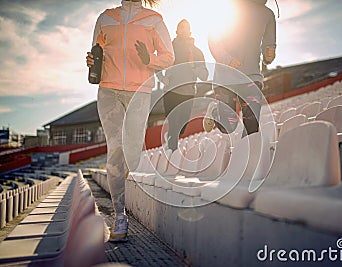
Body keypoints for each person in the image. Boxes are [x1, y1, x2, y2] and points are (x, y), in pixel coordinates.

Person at [86, 0, 174, 242]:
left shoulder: (153, 19)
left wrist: (149, 60)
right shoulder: (106, 17)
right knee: (116, 148)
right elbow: (97, 51)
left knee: (133, 152)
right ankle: (119, 215)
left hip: (140, 92)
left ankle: (126, 190)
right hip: (109, 91)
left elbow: (169, 57)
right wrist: (92, 61)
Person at [203, 0, 276, 137]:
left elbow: (269, 44)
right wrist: (227, 59)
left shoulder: (268, 14)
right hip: (226, 78)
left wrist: (269, 56)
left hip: (252, 77)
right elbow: (213, 38)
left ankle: (249, 157)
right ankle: (214, 111)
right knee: (228, 126)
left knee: (252, 128)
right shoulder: (229, 7)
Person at [157, 19, 208, 151]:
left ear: (190, 31)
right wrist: (161, 78)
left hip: (188, 93)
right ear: (177, 30)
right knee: (174, 124)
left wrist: (193, 67)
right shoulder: (169, 47)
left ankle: (171, 139)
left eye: (186, 28)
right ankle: (172, 152)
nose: (184, 30)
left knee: (181, 127)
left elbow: (205, 75)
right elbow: (157, 63)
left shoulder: (196, 52)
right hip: (170, 91)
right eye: (181, 27)